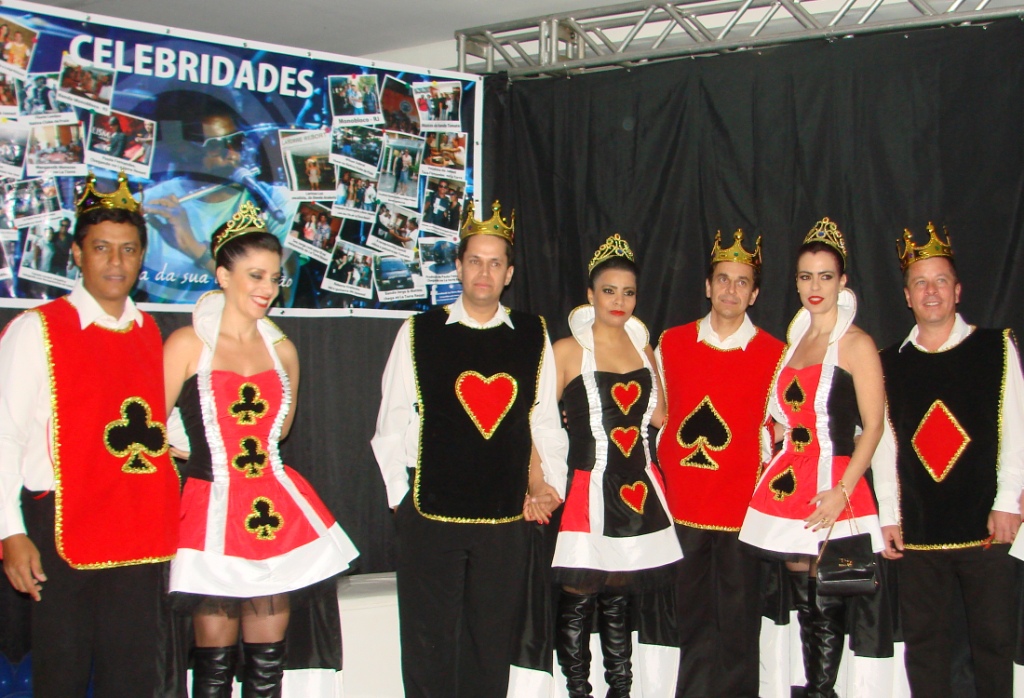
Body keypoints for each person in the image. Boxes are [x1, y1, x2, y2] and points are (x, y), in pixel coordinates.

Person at [371, 200, 568, 697]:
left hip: (504, 518)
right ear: (458, 266)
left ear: (509, 274)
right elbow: (392, 421)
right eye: (475, 260)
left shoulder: (532, 334)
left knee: (490, 644)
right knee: (428, 643)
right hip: (431, 512)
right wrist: (401, 499)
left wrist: (550, 485)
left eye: (495, 263)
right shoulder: (418, 332)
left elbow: (544, 420)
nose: (484, 272)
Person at [163, 201, 359, 697]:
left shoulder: (283, 351)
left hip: (274, 512)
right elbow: (148, 428)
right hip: (211, 512)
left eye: (275, 278)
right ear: (222, 275)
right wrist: (195, 451)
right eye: (255, 275)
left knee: (267, 668)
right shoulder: (187, 344)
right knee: (212, 670)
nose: (268, 288)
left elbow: (281, 430)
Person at [0, 172, 180, 697]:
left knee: (134, 677)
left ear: (142, 257)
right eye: (101, 248)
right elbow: (4, 434)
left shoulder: (150, 333)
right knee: (62, 674)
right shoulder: (37, 329)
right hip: (61, 526)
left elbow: (163, 425)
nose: (116, 262)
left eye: (129, 249)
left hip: (136, 527)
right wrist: (10, 532)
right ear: (77, 254)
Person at [738, 217, 887, 698]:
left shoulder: (857, 343)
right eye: (806, 276)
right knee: (805, 599)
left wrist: (843, 491)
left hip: (834, 480)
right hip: (791, 478)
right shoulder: (795, 342)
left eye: (825, 276)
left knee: (827, 596)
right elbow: (787, 415)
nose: (815, 286)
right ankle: (815, 687)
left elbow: (874, 426)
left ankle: (822, 692)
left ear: (843, 282)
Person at [874, 223, 1024, 698]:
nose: (931, 291)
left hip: (986, 523)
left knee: (993, 641)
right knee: (925, 646)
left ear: (957, 290)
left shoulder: (995, 348)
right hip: (919, 528)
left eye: (940, 280)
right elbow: (884, 444)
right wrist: (889, 514)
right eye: (920, 283)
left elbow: (1017, 428)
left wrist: (1008, 501)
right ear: (907, 296)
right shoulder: (888, 363)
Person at [551, 234, 681, 698]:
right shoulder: (566, 350)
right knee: (579, 594)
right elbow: (538, 421)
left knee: (619, 598)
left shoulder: (644, 350)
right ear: (591, 294)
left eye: (628, 292)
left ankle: (620, 691)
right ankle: (578, 692)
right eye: (609, 290)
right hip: (588, 486)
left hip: (637, 488)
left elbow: (661, 417)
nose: (618, 300)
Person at [656, 230, 784, 698]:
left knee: (738, 626)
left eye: (742, 281)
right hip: (682, 507)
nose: (731, 289)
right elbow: (652, 410)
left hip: (742, 511)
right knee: (685, 624)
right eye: (723, 279)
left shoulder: (776, 354)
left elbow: (792, 423)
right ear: (708, 286)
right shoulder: (671, 343)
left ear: (755, 294)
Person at [142, 108, 297, 303]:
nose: (233, 155)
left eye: (237, 142)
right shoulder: (151, 202)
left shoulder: (275, 203)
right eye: (216, 146)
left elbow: (281, 300)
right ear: (184, 150)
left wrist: (195, 249)